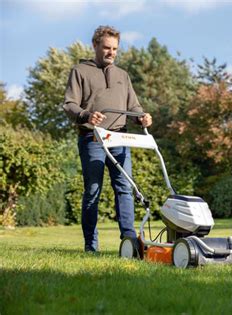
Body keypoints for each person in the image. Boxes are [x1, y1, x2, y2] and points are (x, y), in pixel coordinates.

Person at [63, 25, 152, 252]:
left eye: (115, 49)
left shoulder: (123, 75)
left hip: (120, 140)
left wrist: (142, 117)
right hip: (93, 139)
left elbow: (134, 106)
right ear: (95, 45)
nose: (111, 52)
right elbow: (70, 104)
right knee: (93, 190)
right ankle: (91, 246)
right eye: (106, 48)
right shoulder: (80, 71)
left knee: (124, 188)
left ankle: (130, 244)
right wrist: (86, 115)